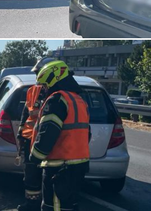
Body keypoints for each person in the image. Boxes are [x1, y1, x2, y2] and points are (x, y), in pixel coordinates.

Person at [29, 61, 90, 211]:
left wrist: (34, 158)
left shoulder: (57, 100)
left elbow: (48, 133)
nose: (44, 89)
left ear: (53, 80)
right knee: (69, 206)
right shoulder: (78, 100)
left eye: (45, 85)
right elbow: (86, 134)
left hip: (59, 169)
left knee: (53, 207)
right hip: (78, 167)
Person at [16, 57, 56, 211]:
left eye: (40, 73)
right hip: (29, 141)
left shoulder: (57, 93)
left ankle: (45, 206)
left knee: (48, 179)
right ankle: (31, 205)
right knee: (31, 177)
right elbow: (25, 114)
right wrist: (20, 134)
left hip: (48, 143)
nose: (37, 76)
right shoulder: (32, 91)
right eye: (37, 73)